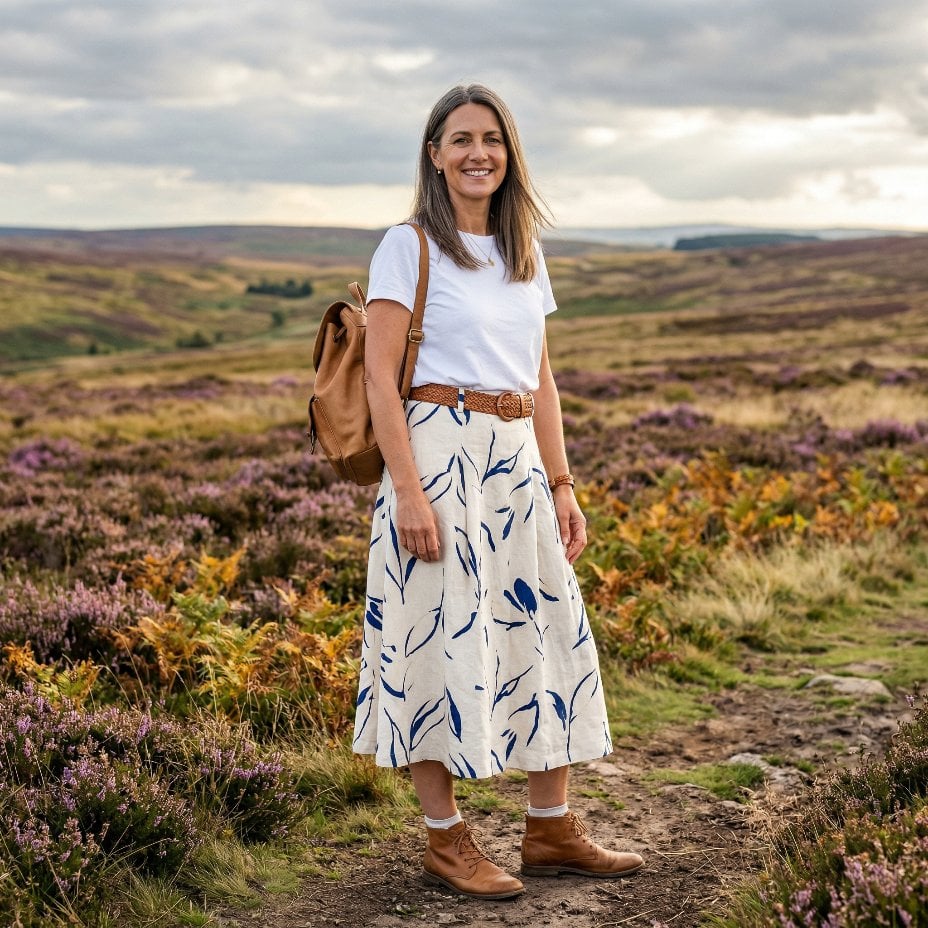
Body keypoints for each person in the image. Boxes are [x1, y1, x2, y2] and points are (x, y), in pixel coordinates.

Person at [353, 83, 643, 900]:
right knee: (432, 640)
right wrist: (408, 493)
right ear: (435, 156)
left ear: (509, 154)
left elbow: (540, 379)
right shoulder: (407, 246)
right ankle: (445, 841)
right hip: (439, 459)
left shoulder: (524, 251)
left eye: (492, 139)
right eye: (461, 139)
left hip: (516, 466)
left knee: (546, 630)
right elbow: (379, 379)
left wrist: (564, 484)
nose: (477, 152)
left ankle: (550, 828)